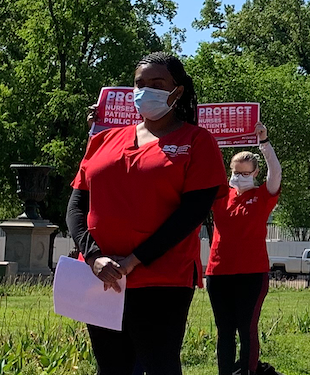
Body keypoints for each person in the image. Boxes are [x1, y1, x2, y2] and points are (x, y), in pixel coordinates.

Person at [67, 52, 226, 375]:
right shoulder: (103, 139)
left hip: (161, 279)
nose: (146, 90)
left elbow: (190, 214)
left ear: (177, 91)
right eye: (140, 83)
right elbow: (76, 206)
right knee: (111, 367)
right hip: (101, 277)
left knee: (158, 366)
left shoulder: (197, 142)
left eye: (157, 83)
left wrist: (134, 259)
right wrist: (94, 256)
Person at [207, 124, 282, 375]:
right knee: (224, 330)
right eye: (235, 172)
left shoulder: (263, 195)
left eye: (244, 173)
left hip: (251, 273)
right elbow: (207, 169)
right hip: (219, 273)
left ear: (255, 172)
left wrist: (265, 142)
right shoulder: (221, 196)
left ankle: (248, 372)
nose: (239, 177)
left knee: (246, 329)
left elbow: (276, 174)